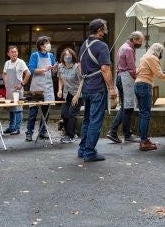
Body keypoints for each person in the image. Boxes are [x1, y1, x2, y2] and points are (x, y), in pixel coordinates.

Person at [74, 18, 117, 162]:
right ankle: (90, 152)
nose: (106, 30)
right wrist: (111, 88)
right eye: (105, 27)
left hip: (86, 88)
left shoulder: (83, 45)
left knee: (87, 120)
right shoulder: (102, 46)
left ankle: (82, 149)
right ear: (100, 30)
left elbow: (80, 66)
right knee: (95, 121)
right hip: (98, 88)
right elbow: (105, 68)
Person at [134, 43, 165, 151]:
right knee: (145, 114)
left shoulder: (144, 57)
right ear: (159, 51)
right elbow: (159, 75)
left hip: (138, 85)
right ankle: (144, 141)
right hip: (145, 85)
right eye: (161, 53)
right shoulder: (153, 58)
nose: (161, 55)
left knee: (142, 113)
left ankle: (143, 140)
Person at [107, 31, 144, 144]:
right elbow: (132, 68)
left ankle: (125, 133)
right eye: (140, 41)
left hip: (121, 77)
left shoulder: (123, 46)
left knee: (126, 106)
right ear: (135, 39)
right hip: (126, 77)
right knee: (128, 107)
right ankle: (116, 131)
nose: (141, 43)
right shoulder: (128, 49)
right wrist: (137, 74)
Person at [26, 36, 56, 141]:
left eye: (48, 42)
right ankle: (29, 132)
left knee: (46, 111)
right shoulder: (35, 55)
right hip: (36, 86)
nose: (48, 45)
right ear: (41, 46)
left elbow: (53, 70)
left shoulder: (51, 55)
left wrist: (55, 68)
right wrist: (44, 69)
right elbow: (32, 69)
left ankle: (42, 131)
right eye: (46, 43)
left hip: (48, 86)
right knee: (33, 111)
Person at [3, 45, 30, 135]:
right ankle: (11, 127)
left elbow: (28, 73)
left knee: (18, 108)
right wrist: (5, 83)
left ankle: (17, 128)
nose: (14, 53)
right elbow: (4, 73)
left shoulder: (21, 62)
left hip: (18, 89)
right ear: (8, 54)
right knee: (11, 108)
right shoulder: (7, 63)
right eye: (12, 52)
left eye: (16, 52)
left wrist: (22, 84)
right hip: (9, 89)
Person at [57, 48, 81, 143]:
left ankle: (70, 135)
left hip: (77, 94)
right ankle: (71, 132)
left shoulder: (77, 67)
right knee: (64, 114)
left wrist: (77, 96)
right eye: (65, 55)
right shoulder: (60, 67)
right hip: (67, 94)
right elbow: (60, 79)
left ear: (72, 56)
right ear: (63, 57)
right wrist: (59, 89)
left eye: (69, 55)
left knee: (71, 113)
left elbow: (81, 82)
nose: (67, 57)